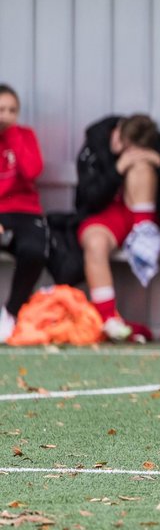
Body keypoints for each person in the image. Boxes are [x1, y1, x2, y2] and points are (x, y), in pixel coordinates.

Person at [76, 113, 160, 342]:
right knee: (95, 243)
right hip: (106, 212)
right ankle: (108, 318)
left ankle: (144, 231)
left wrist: (158, 163)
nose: (128, 151)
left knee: (141, 166)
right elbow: (89, 198)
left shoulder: (154, 143)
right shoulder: (94, 145)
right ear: (118, 133)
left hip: (143, 213)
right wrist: (118, 167)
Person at [0, 85, 48, 343]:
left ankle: (10, 312)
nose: (6, 116)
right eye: (1, 110)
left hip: (24, 212)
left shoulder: (25, 135)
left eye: (12, 110)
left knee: (34, 251)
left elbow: (32, 171)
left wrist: (13, 136)